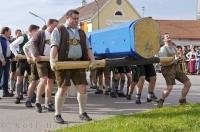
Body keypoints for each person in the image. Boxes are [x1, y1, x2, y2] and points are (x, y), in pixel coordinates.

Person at [50, 9, 97, 124]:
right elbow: (54, 46)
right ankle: (57, 114)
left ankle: (82, 113)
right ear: (68, 18)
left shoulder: (81, 32)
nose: (76, 21)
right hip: (63, 64)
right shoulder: (59, 30)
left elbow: (88, 48)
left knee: (83, 88)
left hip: (79, 63)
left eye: (77, 18)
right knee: (63, 89)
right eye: (74, 18)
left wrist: (93, 60)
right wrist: (52, 60)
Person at [157, 33, 191, 108]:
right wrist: (174, 60)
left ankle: (182, 100)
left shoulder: (173, 47)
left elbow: (176, 57)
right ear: (164, 39)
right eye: (167, 36)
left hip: (175, 67)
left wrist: (179, 58)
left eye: (169, 36)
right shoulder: (163, 49)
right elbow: (163, 62)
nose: (169, 37)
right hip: (167, 69)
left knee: (188, 84)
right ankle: (161, 100)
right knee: (169, 88)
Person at [32, 19, 58, 113]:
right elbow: (33, 43)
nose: (56, 27)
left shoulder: (56, 35)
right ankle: (38, 102)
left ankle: (47, 103)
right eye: (55, 25)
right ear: (49, 25)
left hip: (51, 60)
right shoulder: (41, 33)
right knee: (44, 80)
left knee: (50, 81)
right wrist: (36, 55)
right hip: (41, 59)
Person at [10, 29, 30, 104]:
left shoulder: (35, 38)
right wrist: (16, 54)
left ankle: (30, 94)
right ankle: (18, 96)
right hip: (22, 60)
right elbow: (11, 45)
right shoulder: (22, 38)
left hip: (30, 60)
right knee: (19, 78)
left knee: (31, 78)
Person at [23, 24, 40, 107]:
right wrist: (27, 57)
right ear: (33, 31)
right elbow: (24, 47)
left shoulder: (35, 37)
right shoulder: (32, 38)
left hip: (40, 61)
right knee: (34, 81)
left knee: (41, 81)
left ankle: (37, 99)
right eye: (37, 30)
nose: (38, 32)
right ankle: (28, 100)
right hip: (34, 62)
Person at [0, 27, 13, 97]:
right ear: (5, 31)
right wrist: (2, 59)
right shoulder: (0, 38)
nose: (11, 33)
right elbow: (0, 50)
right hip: (1, 60)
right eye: (10, 31)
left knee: (6, 76)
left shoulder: (7, 40)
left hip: (7, 60)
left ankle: (5, 92)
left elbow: (9, 50)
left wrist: (12, 57)